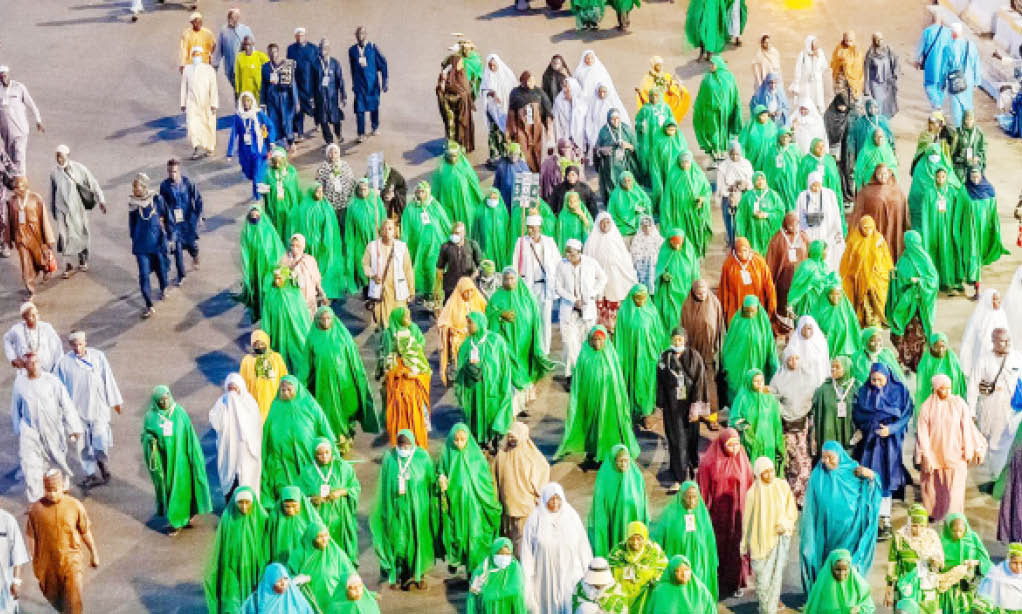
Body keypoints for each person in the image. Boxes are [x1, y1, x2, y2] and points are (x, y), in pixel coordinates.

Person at [800, 442, 881, 590]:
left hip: (851, 532)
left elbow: (873, 486)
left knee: (846, 565)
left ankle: (847, 595)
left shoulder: (853, 470)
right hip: (826, 532)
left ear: (840, 455)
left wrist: (871, 476)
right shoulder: (818, 475)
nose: (826, 461)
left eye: (830, 457)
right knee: (829, 564)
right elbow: (811, 507)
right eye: (823, 458)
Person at [556, 326, 640, 466]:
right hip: (590, 400)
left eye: (600, 340)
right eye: (594, 340)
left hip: (610, 404)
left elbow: (618, 382)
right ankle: (592, 452)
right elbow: (578, 381)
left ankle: (607, 453)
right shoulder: (585, 355)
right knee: (592, 426)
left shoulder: (610, 356)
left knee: (608, 428)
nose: (597, 343)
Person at [369, 430, 438, 591]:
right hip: (396, 509)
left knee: (417, 540)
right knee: (399, 541)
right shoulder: (390, 459)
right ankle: (401, 573)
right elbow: (383, 485)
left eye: (407, 445)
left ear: (413, 444)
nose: (404, 448)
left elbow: (431, 481)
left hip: (418, 510)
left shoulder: (422, 458)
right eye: (401, 445)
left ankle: (419, 574)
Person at [53, 330, 122, 489]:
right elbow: (58, 389)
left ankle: (103, 466)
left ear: (86, 342)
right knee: (82, 445)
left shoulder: (98, 357)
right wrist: (61, 412)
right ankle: (91, 474)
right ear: (70, 345)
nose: (78, 348)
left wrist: (115, 401)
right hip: (77, 412)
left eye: (80, 344)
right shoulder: (63, 364)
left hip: (98, 408)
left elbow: (108, 379)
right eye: (74, 345)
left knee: (100, 440)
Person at [141, 385, 213, 535]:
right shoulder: (151, 417)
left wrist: (194, 456)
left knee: (182, 489)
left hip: (182, 462)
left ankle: (180, 520)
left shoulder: (179, 413)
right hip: (165, 463)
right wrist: (151, 440)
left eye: (166, 399)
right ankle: (178, 519)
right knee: (170, 489)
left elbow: (189, 435)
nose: (164, 403)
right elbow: (145, 436)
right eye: (161, 400)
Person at [25, 469, 100, 614]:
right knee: (56, 599)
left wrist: (93, 553)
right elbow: (31, 536)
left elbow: (85, 531)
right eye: (48, 490)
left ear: (63, 487)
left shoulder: (74, 505)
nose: (52, 494)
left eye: (55, 490)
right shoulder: (36, 510)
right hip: (48, 564)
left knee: (73, 600)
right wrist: (34, 559)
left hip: (71, 560)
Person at [10, 351, 82, 502]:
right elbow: (15, 408)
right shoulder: (20, 383)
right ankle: (35, 500)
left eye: (36, 362)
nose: (34, 366)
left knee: (56, 461)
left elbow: (66, 404)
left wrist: (73, 428)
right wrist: (18, 429)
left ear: (40, 363)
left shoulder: (52, 381)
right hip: (30, 431)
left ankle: (60, 490)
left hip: (52, 429)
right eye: (30, 363)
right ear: (25, 365)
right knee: (29, 465)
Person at [436, 424, 501, 583]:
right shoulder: (447, 455)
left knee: (475, 537)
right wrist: (441, 478)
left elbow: (485, 481)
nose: (459, 443)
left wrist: (487, 502)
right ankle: (463, 564)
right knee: (459, 536)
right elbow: (439, 471)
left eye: (462, 440)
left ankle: (474, 572)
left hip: (475, 507)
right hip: (456, 507)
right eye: (456, 440)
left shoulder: (477, 458)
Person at [853, 363, 912, 538]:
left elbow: (906, 414)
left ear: (887, 377)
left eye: (880, 379)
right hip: (870, 445)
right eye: (874, 379)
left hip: (890, 445)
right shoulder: (864, 392)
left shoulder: (899, 391)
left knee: (886, 479)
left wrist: (891, 429)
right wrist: (866, 427)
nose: (877, 383)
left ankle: (885, 519)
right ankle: (869, 518)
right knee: (868, 476)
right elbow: (858, 414)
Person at [916, 374, 986, 522]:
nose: (946, 392)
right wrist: (925, 455)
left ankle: (954, 516)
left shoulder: (958, 404)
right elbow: (922, 434)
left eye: (948, 388)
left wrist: (977, 448)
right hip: (935, 454)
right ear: (935, 389)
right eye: (942, 388)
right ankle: (934, 512)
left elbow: (968, 427)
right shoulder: (926, 408)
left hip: (955, 454)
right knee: (933, 487)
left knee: (955, 489)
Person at [486, 268, 555, 414]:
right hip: (505, 343)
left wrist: (536, 342)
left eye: (512, 279)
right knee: (509, 372)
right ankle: (509, 408)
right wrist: (500, 315)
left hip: (525, 344)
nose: (509, 282)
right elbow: (488, 317)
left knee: (523, 373)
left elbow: (536, 320)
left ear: (517, 279)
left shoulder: (527, 297)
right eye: (506, 279)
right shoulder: (496, 297)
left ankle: (522, 405)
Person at [696, 429, 754, 599]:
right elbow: (703, 489)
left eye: (737, 444)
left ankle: (737, 581)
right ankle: (719, 580)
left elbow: (750, 483)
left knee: (738, 547)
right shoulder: (710, 462)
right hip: (718, 515)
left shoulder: (742, 459)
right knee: (720, 547)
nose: (735, 448)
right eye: (731, 444)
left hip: (738, 513)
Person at [308, 307, 379, 440]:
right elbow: (306, 364)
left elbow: (354, 361)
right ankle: (330, 440)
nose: (325, 322)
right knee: (327, 412)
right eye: (322, 319)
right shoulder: (313, 338)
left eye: (328, 318)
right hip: (322, 385)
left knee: (345, 410)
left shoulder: (343, 337)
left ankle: (344, 438)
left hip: (344, 382)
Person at [520, 483, 592, 614]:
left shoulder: (571, 516)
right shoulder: (535, 520)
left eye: (558, 498)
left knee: (570, 604)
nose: (555, 502)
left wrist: (588, 573)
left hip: (570, 576)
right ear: (545, 499)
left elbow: (583, 547)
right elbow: (527, 553)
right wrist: (527, 580)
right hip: (544, 579)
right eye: (551, 499)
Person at [261, 376, 335, 499]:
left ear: (297, 389)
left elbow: (324, 426)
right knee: (285, 490)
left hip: (306, 456)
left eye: (289, 389)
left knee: (307, 487)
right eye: (282, 390)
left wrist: (332, 450)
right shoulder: (275, 407)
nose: (285, 392)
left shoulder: (309, 404)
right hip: (281, 459)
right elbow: (266, 434)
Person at [743, 457, 798, 614]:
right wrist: (744, 542)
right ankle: (764, 606)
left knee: (776, 577)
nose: (769, 475)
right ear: (758, 474)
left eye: (771, 470)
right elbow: (747, 520)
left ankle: (769, 609)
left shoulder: (782, 486)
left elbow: (791, 510)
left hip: (779, 540)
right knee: (762, 580)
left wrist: (785, 524)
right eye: (764, 472)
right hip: (759, 542)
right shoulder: (753, 493)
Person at [654, 328, 708, 487]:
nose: (677, 342)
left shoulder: (694, 357)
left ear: (685, 339)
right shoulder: (665, 358)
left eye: (680, 339)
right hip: (673, 407)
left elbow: (700, 382)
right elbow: (660, 382)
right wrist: (661, 404)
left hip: (690, 406)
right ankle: (680, 476)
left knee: (691, 439)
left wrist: (696, 407)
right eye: (674, 339)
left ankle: (692, 467)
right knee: (676, 440)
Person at [295, 439, 360, 564]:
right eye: (320, 454)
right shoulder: (307, 472)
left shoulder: (343, 468)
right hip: (318, 518)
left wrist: (341, 492)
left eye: (327, 452)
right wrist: (311, 499)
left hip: (340, 518)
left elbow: (355, 487)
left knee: (341, 552)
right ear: (314, 454)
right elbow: (299, 496)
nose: (324, 456)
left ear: (332, 451)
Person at [455, 312, 514, 448]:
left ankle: (494, 439)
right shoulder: (466, 345)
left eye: (470, 322)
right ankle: (479, 442)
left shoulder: (496, 341)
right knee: (476, 414)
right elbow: (460, 370)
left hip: (492, 389)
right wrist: (469, 368)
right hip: (474, 389)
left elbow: (503, 365)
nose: (468, 326)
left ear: (480, 323)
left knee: (491, 414)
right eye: (467, 322)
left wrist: (503, 384)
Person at [650, 482, 718, 598]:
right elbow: (658, 539)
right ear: (681, 496)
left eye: (695, 497)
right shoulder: (670, 515)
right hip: (679, 568)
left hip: (699, 565)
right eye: (688, 497)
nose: (691, 501)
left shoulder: (702, 515)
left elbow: (710, 542)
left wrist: (712, 562)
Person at [972, 328, 1022, 483]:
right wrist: (971, 411)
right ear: (993, 341)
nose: (1006, 343)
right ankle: (996, 476)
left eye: (1008, 340)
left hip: (1012, 408)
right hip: (990, 407)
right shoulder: (984, 360)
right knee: (994, 443)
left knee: (1008, 441)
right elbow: (973, 385)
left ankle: (1002, 477)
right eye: (1002, 340)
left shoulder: (1017, 358)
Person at [376, 308, 431, 447]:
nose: (408, 318)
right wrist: (396, 372)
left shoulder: (414, 331)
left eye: (409, 315)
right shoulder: (388, 335)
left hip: (413, 389)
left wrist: (413, 372)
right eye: (405, 316)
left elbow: (423, 366)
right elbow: (385, 359)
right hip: (397, 388)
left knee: (415, 415)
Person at [48, 145, 105, 278]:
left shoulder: (79, 169)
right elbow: (52, 192)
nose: (59, 158)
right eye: (57, 155)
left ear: (67, 155)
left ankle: (83, 259)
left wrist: (101, 199)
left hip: (78, 209)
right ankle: (67, 264)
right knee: (63, 236)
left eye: (61, 155)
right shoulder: (54, 173)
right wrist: (53, 211)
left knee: (82, 233)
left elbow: (93, 183)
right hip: (61, 209)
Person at [493, 422, 549, 555]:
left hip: (525, 507)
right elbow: (494, 478)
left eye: (515, 436)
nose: (512, 439)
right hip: (507, 506)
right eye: (510, 436)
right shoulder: (502, 455)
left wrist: (538, 495)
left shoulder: (532, 456)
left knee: (524, 539)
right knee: (510, 538)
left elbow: (543, 472)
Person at [554, 239, 606, 377]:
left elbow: (603, 278)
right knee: (569, 345)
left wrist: (592, 294)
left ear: (578, 252)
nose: (567, 255)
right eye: (566, 251)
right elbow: (557, 287)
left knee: (586, 343)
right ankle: (570, 376)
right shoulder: (561, 265)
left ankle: (586, 374)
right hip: (568, 311)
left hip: (587, 311)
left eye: (571, 252)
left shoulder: (590, 263)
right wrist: (573, 300)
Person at [887, 232, 939, 370]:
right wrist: (894, 277)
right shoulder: (904, 259)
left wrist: (919, 282)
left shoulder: (925, 260)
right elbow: (898, 281)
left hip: (919, 308)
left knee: (918, 335)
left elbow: (933, 281)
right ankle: (906, 359)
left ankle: (918, 362)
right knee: (904, 334)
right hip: (905, 306)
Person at [615, 285, 665, 424]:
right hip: (630, 355)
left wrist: (660, 352)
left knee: (646, 382)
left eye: (643, 298)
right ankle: (631, 411)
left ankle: (646, 412)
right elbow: (619, 335)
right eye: (637, 298)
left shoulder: (652, 312)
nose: (640, 301)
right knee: (631, 380)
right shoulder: (624, 312)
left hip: (649, 356)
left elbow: (659, 334)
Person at [207, 373, 261, 502]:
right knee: (230, 481)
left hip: (245, 452)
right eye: (230, 389)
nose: (232, 393)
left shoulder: (249, 403)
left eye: (234, 389)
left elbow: (254, 427)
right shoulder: (222, 402)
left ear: (240, 388)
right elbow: (216, 422)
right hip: (228, 450)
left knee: (246, 480)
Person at [588, 445, 649, 558]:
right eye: (620, 461)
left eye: (626, 460)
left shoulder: (637, 477)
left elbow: (644, 504)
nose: (624, 464)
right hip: (613, 524)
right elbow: (600, 507)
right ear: (613, 461)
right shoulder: (605, 478)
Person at [512, 216, 560, 354]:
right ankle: (531, 348)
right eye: (528, 228)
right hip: (529, 286)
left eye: (533, 228)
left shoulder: (549, 242)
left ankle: (544, 350)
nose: (531, 231)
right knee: (529, 318)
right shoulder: (521, 242)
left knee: (545, 320)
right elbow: (515, 264)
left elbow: (557, 263)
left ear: (539, 228)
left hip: (545, 287)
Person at [401, 181, 452, 307]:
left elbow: (445, 222)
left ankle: (436, 296)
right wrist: (403, 245)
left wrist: (452, 238)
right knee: (420, 269)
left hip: (435, 245)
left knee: (432, 270)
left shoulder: (434, 205)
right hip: (418, 247)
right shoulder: (410, 208)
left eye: (422, 191)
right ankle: (426, 295)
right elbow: (405, 228)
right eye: (418, 191)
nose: (420, 194)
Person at [682, 279, 726, 421]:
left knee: (710, 383)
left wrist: (718, 349)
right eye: (698, 293)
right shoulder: (686, 306)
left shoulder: (714, 304)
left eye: (704, 293)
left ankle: (712, 416)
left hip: (709, 352)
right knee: (692, 381)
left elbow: (720, 328)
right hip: (693, 351)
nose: (701, 295)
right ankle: (693, 412)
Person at [286, 522, 356, 612]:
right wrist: (298, 579)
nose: (325, 540)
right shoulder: (299, 554)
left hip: (331, 600)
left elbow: (348, 572)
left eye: (326, 535)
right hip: (308, 601)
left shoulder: (335, 553)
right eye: (320, 537)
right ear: (311, 538)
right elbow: (288, 575)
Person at [721, 296, 779, 404]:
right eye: (747, 311)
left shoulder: (763, 325)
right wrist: (727, 366)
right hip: (739, 369)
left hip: (758, 365)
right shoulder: (737, 322)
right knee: (738, 396)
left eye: (753, 310)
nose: (750, 314)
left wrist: (774, 365)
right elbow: (729, 346)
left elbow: (770, 346)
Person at [6, 176, 55, 298]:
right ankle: (30, 289)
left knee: (39, 259)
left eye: (19, 188)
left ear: (25, 187)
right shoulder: (12, 201)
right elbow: (9, 221)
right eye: (15, 189)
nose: (16, 191)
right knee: (25, 263)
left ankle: (46, 268)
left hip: (35, 234)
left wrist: (48, 238)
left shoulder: (35, 198)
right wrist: (8, 239)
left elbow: (44, 219)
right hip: (20, 236)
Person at [584, 213, 635, 332]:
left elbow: (625, 261)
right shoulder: (591, 241)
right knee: (600, 299)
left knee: (614, 299)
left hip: (615, 278)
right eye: (602, 222)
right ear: (598, 224)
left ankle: (615, 327)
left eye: (608, 222)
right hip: (598, 279)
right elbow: (587, 262)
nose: (605, 225)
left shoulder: (617, 239)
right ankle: (600, 327)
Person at [290, 185, 343, 300]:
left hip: (323, 244)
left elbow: (331, 227)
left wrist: (327, 242)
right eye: (317, 191)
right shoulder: (304, 206)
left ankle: (323, 289)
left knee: (323, 266)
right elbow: (300, 225)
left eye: (321, 191)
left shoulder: (326, 206)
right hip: (309, 245)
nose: (320, 194)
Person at [840, 215, 893, 328]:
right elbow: (848, 263)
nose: (868, 231)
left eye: (870, 228)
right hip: (860, 280)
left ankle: (876, 323)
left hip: (876, 280)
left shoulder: (878, 239)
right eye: (865, 227)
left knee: (876, 303)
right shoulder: (854, 240)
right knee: (864, 305)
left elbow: (885, 259)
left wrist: (885, 272)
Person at [731, 369, 786, 475]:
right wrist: (746, 430)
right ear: (749, 381)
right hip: (750, 443)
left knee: (767, 472)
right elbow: (734, 419)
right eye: (755, 381)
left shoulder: (770, 399)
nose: (759, 383)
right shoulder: (742, 398)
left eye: (761, 380)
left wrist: (779, 443)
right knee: (751, 472)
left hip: (768, 442)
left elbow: (776, 423)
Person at [362, 218, 414, 328]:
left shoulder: (402, 247)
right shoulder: (372, 246)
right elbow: (365, 265)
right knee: (383, 322)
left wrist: (411, 290)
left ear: (395, 231)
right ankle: (386, 342)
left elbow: (408, 269)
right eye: (384, 229)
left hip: (398, 290)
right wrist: (372, 275)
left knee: (400, 320)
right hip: (381, 291)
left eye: (390, 229)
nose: (387, 231)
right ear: (380, 231)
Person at [850, 164, 909, 260]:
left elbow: (904, 209)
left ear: (889, 173)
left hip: (893, 229)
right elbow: (858, 212)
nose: (883, 176)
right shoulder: (866, 191)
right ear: (875, 175)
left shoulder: (897, 190)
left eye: (885, 174)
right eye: (880, 174)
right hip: (876, 227)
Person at [159, 159, 204, 286]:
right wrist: (161, 218)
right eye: (169, 172)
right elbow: (161, 204)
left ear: (179, 171)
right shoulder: (164, 186)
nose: (172, 174)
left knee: (191, 245)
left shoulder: (187, 183)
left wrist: (200, 215)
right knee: (177, 250)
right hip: (173, 224)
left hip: (188, 221)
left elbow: (198, 199)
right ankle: (181, 275)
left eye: (174, 171)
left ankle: (195, 256)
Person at [605, 521, 667, 613]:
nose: (635, 542)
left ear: (645, 538)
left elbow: (663, 572)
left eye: (639, 539)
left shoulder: (654, 552)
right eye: (631, 539)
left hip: (645, 600)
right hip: (623, 599)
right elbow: (608, 574)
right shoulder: (617, 553)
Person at [661, 152, 713, 258]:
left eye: (687, 163)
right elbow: (668, 198)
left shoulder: (698, 175)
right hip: (679, 213)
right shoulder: (673, 176)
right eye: (682, 163)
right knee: (682, 236)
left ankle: (695, 258)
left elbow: (706, 190)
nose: (685, 165)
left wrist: (702, 199)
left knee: (695, 235)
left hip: (695, 212)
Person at [693, 56, 743, 161]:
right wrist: (700, 107)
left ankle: (725, 152)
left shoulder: (729, 77)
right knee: (714, 132)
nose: (710, 66)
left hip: (726, 112)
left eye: (713, 64)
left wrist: (736, 108)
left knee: (724, 131)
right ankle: (715, 153)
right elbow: (702, 95)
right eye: (710, 64)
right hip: (711, 112)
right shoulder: (707, 78)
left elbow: (734, 93)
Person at [940, 514, 992, 614]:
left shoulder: (973, 538)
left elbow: (985, 560)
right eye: (954, 531)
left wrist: (974, 562)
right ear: (948, 529)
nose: (958, 534)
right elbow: (937, 562)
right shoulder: (943, 540)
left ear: (966, 528)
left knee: (967, 609)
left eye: (961, 531)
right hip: (950, 586)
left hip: (968, 585)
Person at [718, 237, 777, 325]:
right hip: (736, 307)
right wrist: (723, 309)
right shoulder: (728, 265)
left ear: (749, 249)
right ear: (734, 251)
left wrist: (771, 304)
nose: (742, 254)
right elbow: (724, 289)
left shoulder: (759, 262)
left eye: (745, 250)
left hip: (756, 305)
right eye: (739, 251)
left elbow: (768, 284)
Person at [228, 93, 275, 201]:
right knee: (249, 173)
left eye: (248, 101)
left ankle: (258, 199)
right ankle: (262, 187)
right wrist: (230, 152)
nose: (246, 103)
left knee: (256, 176)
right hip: (245, 152)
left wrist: (271, 141)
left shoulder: (259, 114)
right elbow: (234, 133)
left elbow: (270, 126)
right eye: (244, 101)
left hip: (259, 150)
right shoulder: (238, 116)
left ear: (252, 102)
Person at [264, 486, 323, 567]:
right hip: (280, 564)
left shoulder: (310, 518)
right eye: (287, 506)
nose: (291, 510)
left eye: (294, 506)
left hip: (304, 563)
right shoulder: (275, 518)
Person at [0, 66, 43, 175]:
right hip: (6, 131)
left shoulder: (19, 87)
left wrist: (38, 120)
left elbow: (32, 105)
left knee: (19, 154)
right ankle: (13, 179)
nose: (3, 78)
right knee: (9, 157)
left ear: (8, 75)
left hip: (20, 129)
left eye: (4, 75)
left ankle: (22, 180)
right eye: (1, 77)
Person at [464, 537, 526, 614]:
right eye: (500, 554)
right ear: (493, 553)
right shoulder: (481, 571)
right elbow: (472, 596)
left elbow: (518, 591)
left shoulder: (515, 568)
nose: (504, 558)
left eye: (507, 554)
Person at [811, 357, 859, 453]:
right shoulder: (823, 389)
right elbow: (814, 414)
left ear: (846, 368)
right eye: (832, 367)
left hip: (850, 436)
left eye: (837, 367)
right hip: (829, 434)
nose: (833, 369)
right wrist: (813, 437)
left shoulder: (857, 388)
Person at [804, 550, 876, 614]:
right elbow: (812, 609)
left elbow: (869, 607)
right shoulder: (821, 588)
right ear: (831, 568)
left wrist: (859, 609)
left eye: (845, 569)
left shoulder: (859, 585)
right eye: (838, 569)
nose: (842, 573)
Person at [348, 27, 387, 143]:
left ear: (366, 34)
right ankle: (361, 133)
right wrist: (354, 83)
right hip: (360, 85)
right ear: (355, 35)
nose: (360, 36)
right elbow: (352, 68)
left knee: (374, 106)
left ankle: (375, 127)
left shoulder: (373, 47)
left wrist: (385, 81)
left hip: (372, 84)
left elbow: (383, 63)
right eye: (358, 34)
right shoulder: (352, 51)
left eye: (362, 33)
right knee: (359, 109)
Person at [507, 72, 552, 173]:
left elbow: (547, 109)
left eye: (533, 80)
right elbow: (511, 111)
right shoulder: (515, 92)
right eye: (529, 80)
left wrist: (548, 128)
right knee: (524, 150)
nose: (532, 83)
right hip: (521, 127)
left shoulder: (539, 92)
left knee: (537, 150)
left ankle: (537, 173)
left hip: (536, 127)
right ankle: (525, 172)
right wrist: (512, 128)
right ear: (523, 81)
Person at [965, 167, 1008, 270]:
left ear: (981, 175)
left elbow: (993, 210)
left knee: (983, 244)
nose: (975, 179)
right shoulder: (965, 190)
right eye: (972, 176)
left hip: (985, 225)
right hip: (970, 225)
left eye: (977, 176)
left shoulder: (989, 189)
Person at [735, 171, 786, 256]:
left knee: (770, 257)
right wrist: (741, 235)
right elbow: (741, 217)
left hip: (770, 235)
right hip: (752, 234)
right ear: (753, 181)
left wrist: (766, 215)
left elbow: (780, 212)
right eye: (757, 179)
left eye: (762, 179)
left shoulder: (773, 196)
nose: (760, 181)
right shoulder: (747, 197)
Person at [180, 45, 219, 158]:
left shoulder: (208, 69)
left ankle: (209, 147)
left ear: (202, 56)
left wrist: (214, 104)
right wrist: (182, 103)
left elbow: (213, 88)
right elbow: (184, 87)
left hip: (207, 103)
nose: (196, 56)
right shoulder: (187, 69)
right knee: (192, 125)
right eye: (194, 54)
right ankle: (196, 148)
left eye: (198, 54)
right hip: (192, 103)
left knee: (208, 125)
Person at [961, 290, 1010, 378]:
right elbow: (969, 340)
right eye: (995, 299)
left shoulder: (1001, 313)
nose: (999, 302)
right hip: (982, 353)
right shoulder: (978, 317)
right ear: (988, 301)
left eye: (999, 299)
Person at [940, 24, 982, 127]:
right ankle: (969, 130)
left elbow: (943, 68)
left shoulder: (948, 48)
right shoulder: (971, 45)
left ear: (953, 34)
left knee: (956, 110)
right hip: (968, 80)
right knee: (968, 107)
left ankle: (959, 131)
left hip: (955, 81)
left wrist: (942, 83)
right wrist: (977, 81)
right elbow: (976, 64)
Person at [594, 109, 639, 203]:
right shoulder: (604, 131)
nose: (615, 121)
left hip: (626, 163)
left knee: (626, 182)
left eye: (617, 118)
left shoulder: (626, 129)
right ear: (608, 119)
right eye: (612, 119)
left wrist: (629, 146)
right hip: (610, 165)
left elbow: (636, 147)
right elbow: (597, 149)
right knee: (612, 186)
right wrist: (603, 150)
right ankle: (613, 205)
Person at [436, 49, 476, 154]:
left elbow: (467, 90)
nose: (462, 65)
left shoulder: (462, 74)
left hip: (463, 108)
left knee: (463, 127)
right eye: (460, 63)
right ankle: (452, 149)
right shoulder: (447, 77)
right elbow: (441, 93)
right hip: (451, 108)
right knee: (452, 128)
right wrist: (443, 82)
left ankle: (462, 146)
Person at [4, 302, 62, 373]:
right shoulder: (17, 329)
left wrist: (58, 366)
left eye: (36, 314)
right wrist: (13, 358)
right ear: (24, 318)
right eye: (31, 315)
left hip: (47, 370)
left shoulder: (46, 327)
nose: (36, 317)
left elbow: (57, 346)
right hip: (26, 371)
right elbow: (7, 339)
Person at [261, 44, 299, 150]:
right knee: (274, 120)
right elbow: (263, 85)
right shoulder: (265, 68)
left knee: (286, 121)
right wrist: (262, 102)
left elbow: (293, 84)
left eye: (275, 52)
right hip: (271, 98)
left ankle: (290, 141)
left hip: (285, 97)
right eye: (271, 52)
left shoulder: (286, 65)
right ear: (268, 53)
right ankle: (278, 142)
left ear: (278, 52)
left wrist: (296, 101)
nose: (273, 54)